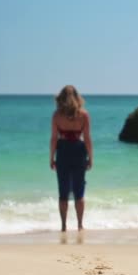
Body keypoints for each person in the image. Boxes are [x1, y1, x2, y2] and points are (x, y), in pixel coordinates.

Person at [49, 85, 93, 232]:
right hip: (79, 151)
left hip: (62, 152)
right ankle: (80, 225)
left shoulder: (56, 116)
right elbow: (87, 139)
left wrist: (51, 158)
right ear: (77, 97)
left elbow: (54, 139)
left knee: (63, 191)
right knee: (79, 191)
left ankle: (63, 226)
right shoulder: (84, 115)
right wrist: (91, 158)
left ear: (61, 98)